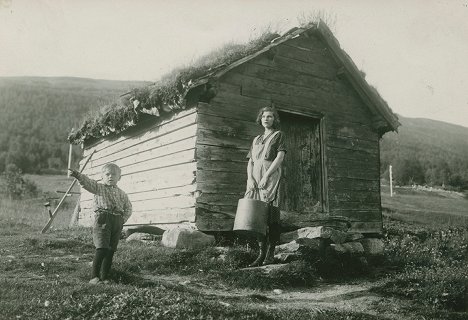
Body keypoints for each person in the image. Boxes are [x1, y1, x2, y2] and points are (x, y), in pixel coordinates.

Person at [69, 163, 132, 284]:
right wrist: (77, 175)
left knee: (110, 250)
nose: (110, 177)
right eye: (107, 174)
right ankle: (94, 277)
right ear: (102, 176)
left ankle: (105, 277)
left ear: (119, 177)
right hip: (103, 219)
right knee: (102, 247)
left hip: (117, 221)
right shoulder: (98, 188)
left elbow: (128, 208)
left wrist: (122, 219)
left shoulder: (122, 194)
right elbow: (87, 182)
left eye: (114, 174)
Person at [245, 106, 286, 267]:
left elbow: (280, 157)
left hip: (270, 178)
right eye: (264, 117)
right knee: (255, 215)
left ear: (274, 119)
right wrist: (250, 178)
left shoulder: (278, 135)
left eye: (270, 117)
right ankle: (260, 253)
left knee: (271, 215)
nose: (266, 119)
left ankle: (270, 252)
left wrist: (267, 176)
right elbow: (251, 161)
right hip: (255, 179)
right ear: (260, 119)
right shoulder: (256, 139)